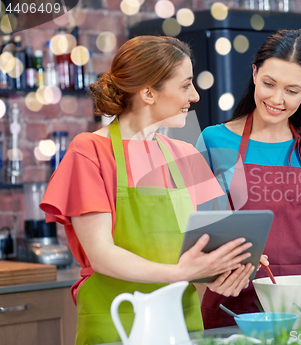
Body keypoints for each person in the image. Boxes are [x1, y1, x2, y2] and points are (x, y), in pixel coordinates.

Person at [40, 36, 255, 345]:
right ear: (148, 93)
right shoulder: (89, 151)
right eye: (185, 85)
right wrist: (179, 272)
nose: (194, 96)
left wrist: (230, 264)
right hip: (117, 321)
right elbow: (101, 254)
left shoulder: (186, 154)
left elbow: (208, 244)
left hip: (181, 321)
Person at [196, 29, 301, 328]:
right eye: (269, 83)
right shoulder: (213, 140)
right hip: (234, 304)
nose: (276, 99)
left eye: (292, 90)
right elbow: (196, 230)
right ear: (255, 74)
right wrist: (233, 255)